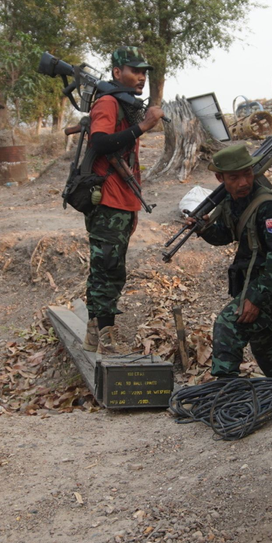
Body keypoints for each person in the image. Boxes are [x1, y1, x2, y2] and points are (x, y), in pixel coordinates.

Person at [187, 143, 272, 378]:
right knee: (263, 339)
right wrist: (203, 228)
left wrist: (255, 298)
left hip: (269, 282)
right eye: (234, 177)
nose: (244, 182)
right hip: (253, 280)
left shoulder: (267, 206)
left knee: (227, 325)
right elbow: (226, 235)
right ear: (220, 177)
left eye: (247, 174)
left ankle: (226, 389)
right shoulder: (233, 200)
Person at [82, 46, 165, 355]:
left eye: (144, 72)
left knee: (105, 267)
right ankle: (106, 335)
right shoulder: (107, 102)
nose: (141, 77)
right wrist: (143, 126)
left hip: (122, 200)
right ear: (117, 73)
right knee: (109, 269)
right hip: (109, 201)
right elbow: (100, 141)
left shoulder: (123, 104)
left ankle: (94, 333)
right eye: (135, 71)